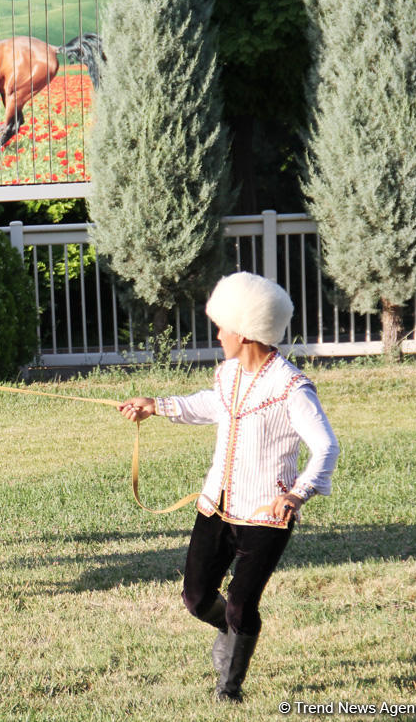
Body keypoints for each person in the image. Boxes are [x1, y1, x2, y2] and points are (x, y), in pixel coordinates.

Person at [118, 271, 339, 703]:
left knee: (241, 603)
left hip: (266, 516)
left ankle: (230, 687)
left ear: (247, 332)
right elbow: (208, 405)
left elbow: (326, 446)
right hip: (214, 506)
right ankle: (228, 629)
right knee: (197, 598)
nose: (218, 335)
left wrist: (296, 494)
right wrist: (156, 406)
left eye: (223, 327)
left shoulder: (292, 387)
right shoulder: (228, 374)